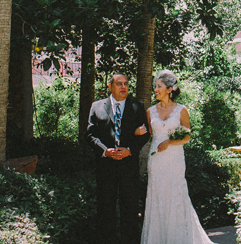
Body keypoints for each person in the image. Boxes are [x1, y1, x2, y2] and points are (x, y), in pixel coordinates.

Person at [141, 69, 214, 244]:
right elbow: (147, 135)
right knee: (157, 196)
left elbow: (187, 137)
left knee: (176, 196)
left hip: (174, 159)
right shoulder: (150, 111)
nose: (155, 90)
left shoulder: (182, 110)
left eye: (159, 87)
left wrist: (169, 143)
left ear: (169, 89)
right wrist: (138, 132)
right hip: (157, 160)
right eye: (155, 87)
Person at [86, 73, 151, 244]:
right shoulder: (97, 106)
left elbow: (145, 135)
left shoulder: (137, 106)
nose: (123, 87)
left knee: (129, 209)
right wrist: (105, 151)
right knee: (105, 209)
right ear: (110, 87)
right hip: (105, 167)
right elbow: (90, 135)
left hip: (128, 167)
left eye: (126, 84)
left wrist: (130, 150)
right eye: (119, 84)